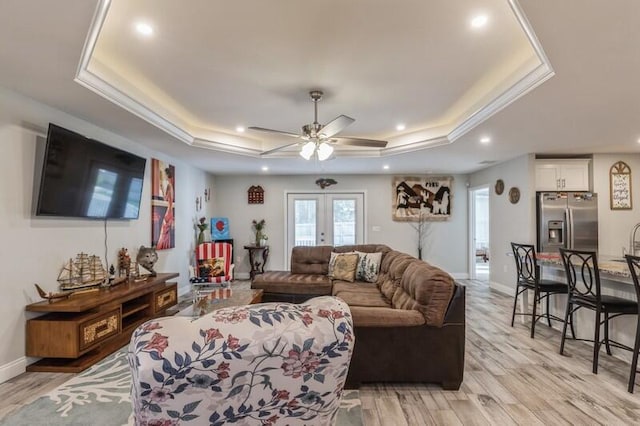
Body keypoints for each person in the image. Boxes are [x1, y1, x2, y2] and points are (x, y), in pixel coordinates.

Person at [156, 166, 174, 249]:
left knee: (164, 231)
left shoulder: (168, 186)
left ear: (167, 175)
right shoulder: (172, 186)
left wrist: (161, 188)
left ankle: (161, 246)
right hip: (171, 211)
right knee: (166, 232)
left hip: (168, 210)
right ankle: (165, 245)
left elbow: (165, 198)